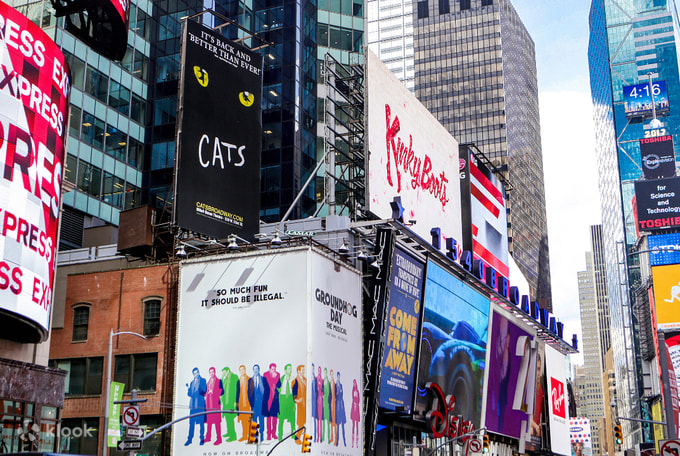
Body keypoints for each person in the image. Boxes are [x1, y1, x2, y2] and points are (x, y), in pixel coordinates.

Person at [185, 367, 207, 446]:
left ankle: (202, 438)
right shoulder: (192, 382)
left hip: (200, 406)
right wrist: (188, 389)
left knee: (201, 423)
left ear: (199, 372)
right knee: (191, 423)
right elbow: (189, 394)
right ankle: (189, 439)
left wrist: (199, 387)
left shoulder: (203, 380)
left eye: (197, 372)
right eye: (194, 373)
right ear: (193, 374)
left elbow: (204, 391)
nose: (196, 374)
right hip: (193, 406)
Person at [248, 364, 268, 439]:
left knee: (261, 419)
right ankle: (255, 435)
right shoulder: (250, 380)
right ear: (253, 370)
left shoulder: (263, 379)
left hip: (261, 404)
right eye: (254, 369)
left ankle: (261, 434)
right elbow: (249, 393)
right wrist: (251, 403)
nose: (255, 370)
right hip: (254, 405)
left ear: (259, 370)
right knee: (254, 419)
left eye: (257, 369)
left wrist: (265, 402)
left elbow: (266, 392)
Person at [205, 367, 224, 445]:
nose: (211, 373)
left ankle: (219, 439)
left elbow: (222, 391)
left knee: (217, 422)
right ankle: (208, 437)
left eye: (212, 372)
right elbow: (206, 392)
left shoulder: (219, 381)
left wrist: (214, 392)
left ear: (215, 372)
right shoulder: (208, 383)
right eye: (210, 372)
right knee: (209, 422)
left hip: (216, 405)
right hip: (209, 405)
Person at [220, 366, 239, 442]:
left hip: (232, 402)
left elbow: (237, 390)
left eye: (224, 372)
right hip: (226, 403)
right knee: (227, 418)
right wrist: (222, 378)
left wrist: (236, 402)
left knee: (230, 419)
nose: (223, 374)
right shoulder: (225, 379)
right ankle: (229, 432)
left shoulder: (234, 377)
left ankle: (233, 435)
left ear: (228, 371)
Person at [278, 364, 296, 441]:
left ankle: (293, 435)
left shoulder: (293, 379)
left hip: (290, 400)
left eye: (291, 369)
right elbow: (277, 390)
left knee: (292, 418)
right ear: (285, 370)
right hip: (283, 400)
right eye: (289, 369)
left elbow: (296, 392)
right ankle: (280, 436)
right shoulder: (281, 379)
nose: (290, 370)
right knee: (281, 419)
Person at [263, 363, 281, 440]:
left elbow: (279, 385)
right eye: (272, 369)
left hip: (275, 399)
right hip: (268, 398)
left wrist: (276, 379)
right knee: (268, 417)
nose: (274, 370)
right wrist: (274, 379)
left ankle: (274, 433)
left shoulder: (277, 375)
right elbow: (265, 384)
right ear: (269, 369)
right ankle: (268, 434)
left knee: (274, 417)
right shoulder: (265, 374)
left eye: (275, 369)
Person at [292, 365, 307, 444]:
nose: (303, 371)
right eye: (302, 370)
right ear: (298, 371)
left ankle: (299, 437)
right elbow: (294, 393)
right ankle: (297, 438)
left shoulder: (305, 380)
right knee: (301, 422)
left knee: (304, 421)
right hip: (300, 405)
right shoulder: (296, 381)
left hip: (306, 404)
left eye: (304, 370)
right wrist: (296, 400)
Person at [236, 365, 251, 441]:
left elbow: (252, 393)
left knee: (248, 420)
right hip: (241, 404)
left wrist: (252, 404)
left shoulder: (249, 379)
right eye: (240, 370)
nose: (242, 371)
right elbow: (237, 393)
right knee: (243, 421)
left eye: (243, 370)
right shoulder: (238, 381)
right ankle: (244, 436)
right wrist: (236, 404)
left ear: (245, 370)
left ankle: (250, 436)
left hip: (248, 404)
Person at [335, 371, 347, 447]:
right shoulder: (336, 385)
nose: (339, 378)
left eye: (339, 376)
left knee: (343, 425)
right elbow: (336, 395)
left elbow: (341, 395)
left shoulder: (341, 385)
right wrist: (339, 393)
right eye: (338, 376)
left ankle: (344, 441)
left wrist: (340, 393)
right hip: (338, 407)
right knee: (338, 425)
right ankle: (337, 441)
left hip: (341, 406)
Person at [350, 379, 360, 448]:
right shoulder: (353, 391)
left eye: (355, 383)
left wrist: (356, 401)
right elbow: (353, 399)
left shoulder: (357, 391)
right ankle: (353, 441)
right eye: (353, 383)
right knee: (353, 425)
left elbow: (358, 400)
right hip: (353, 408)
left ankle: (357, 441)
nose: (354, 384)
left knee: (357, 425)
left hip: (357, 408)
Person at [323, 368, 331, 443]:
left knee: (328, 422)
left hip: (327, 404)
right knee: (323, 423)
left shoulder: (328, 382)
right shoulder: (322, 382)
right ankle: (322, 438)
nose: (325, 374)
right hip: (322, 404)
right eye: (324, 373)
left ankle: (328, 438)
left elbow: (330, 394)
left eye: (326, 373)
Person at [316, 366, 324, 442]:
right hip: (316, 401)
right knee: (317, 419)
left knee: (320, 419)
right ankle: (317, 436)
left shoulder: (322, 380)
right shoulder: (315, 379)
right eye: (318, 370)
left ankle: (320, 436)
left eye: (320, 370)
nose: (319, 372)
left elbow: (324, 391)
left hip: (321, 401)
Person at [329, 369, 337, 445]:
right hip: (330, 406)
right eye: (331, 374)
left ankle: (335, 439)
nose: (332, 376)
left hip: (334, 406)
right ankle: (331, 438)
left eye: (332, 374)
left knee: (335, 423)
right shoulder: (329, 383)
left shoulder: (335, 384)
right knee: (331, 423)